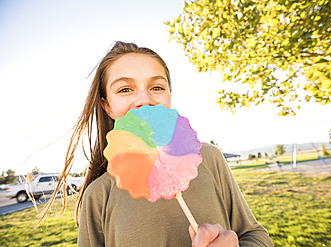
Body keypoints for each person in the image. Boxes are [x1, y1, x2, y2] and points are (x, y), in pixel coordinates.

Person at [38, 42, 274, 247]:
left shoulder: (209, 157)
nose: (145, 100)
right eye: (125, 89)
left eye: (157, 87)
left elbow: (256, 235)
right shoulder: (98, 195)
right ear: (107, 106)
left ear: (169, 97)